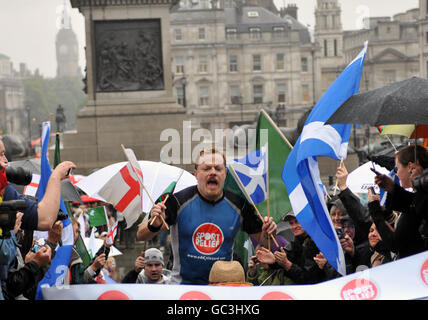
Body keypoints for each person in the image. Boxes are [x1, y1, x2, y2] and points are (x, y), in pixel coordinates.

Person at [137, 147, 277, 285]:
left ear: (225, 173)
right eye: (207, 168)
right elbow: (141, 234)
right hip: (183, 288)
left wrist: (268, 233)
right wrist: (153, 225)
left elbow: (265, 242)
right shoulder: (177, 201)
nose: (213, 172)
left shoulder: (239, 205)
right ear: (196, 174)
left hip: (222, 288)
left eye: (218, 168)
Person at [0, 139, 76, 231]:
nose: (6, 161)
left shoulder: (5, 190)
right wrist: (55, 176)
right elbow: (44, 219)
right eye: (1, 155)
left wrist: (50, 244)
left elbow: (43, 218)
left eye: (4, 154)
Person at [373, 145, 428, 258]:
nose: (396, 174)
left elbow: (396, 243)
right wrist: (392, 188)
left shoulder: (424, 197)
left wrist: (374, 210)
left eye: (397, 168)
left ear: (410, 167)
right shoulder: (419, 196)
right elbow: (412, 203)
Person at [269, 212, 324, 284]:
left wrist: (287, 264)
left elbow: (309, 279)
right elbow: (286, 256)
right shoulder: (296, 242)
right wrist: (273, 260)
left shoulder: (316, 244)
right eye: (291, 223)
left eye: (298, 222)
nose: (294, 226)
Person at [67, 218, 109, 284]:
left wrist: (106, 247)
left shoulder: (74, 252)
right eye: (72, 231)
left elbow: (81, 276)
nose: (75, 234)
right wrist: (93, 267)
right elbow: (78, 281)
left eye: (78, 231)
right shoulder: (60, 252)